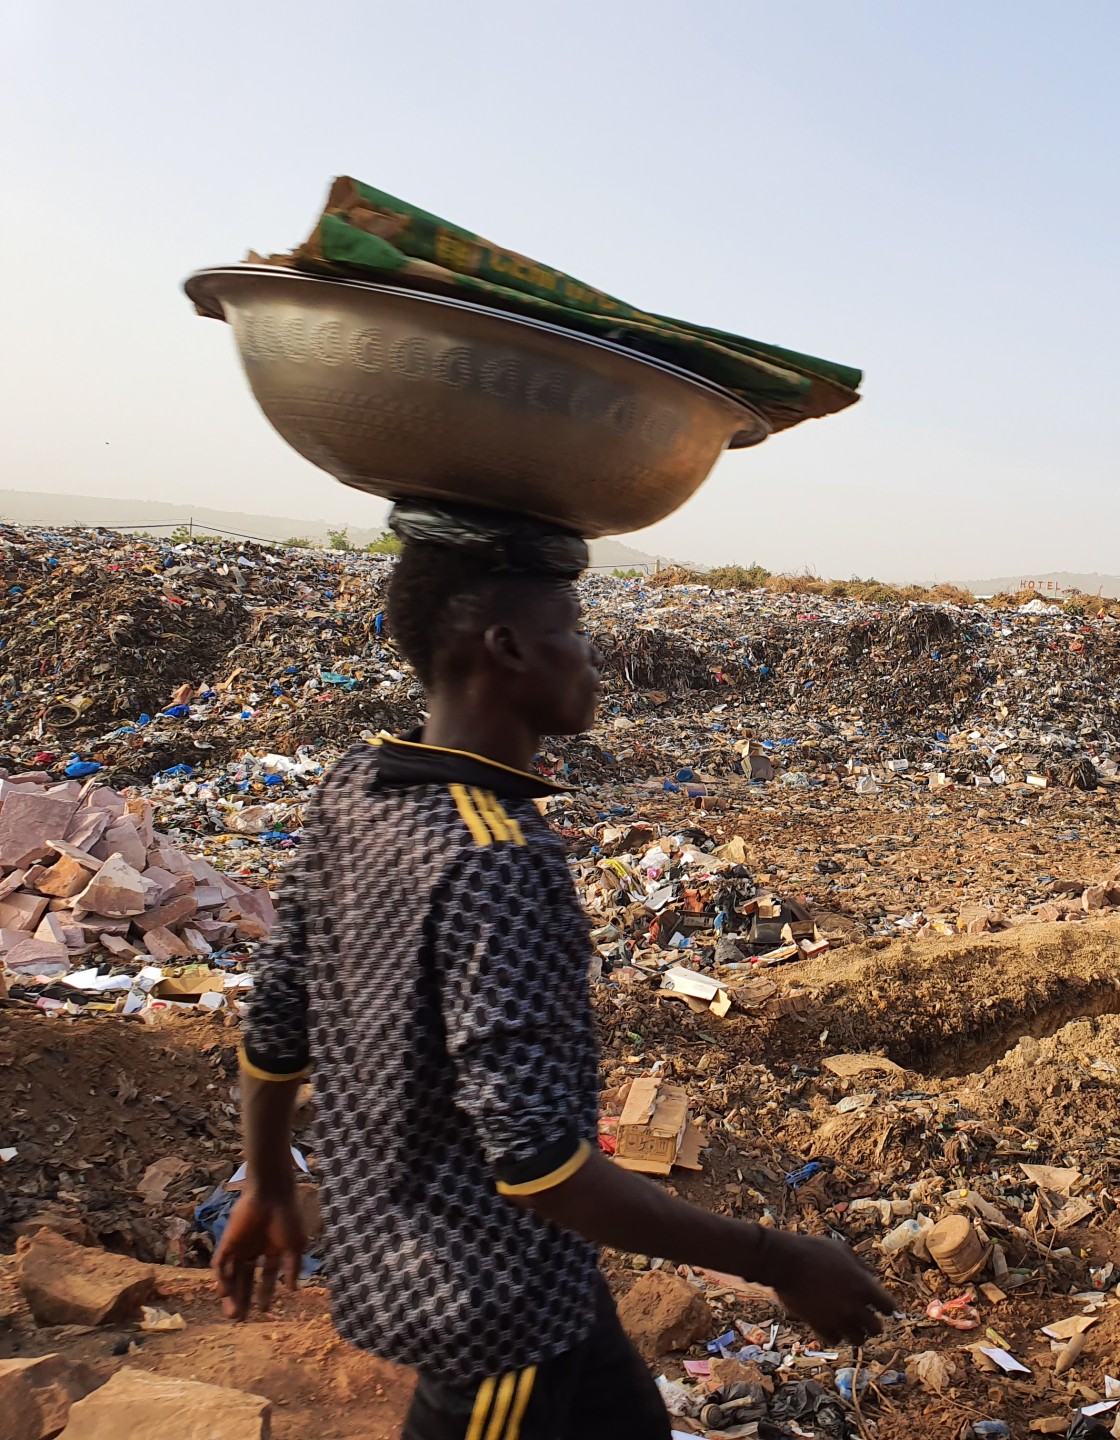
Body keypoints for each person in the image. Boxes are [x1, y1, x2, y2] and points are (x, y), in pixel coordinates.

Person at [214, 502, 893, 1439]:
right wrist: (779, 1257)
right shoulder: (499, 858)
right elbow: (543, 1167)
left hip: (526, 1282)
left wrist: (269, 1182)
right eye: (570, 629)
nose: (590, 654)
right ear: (509, 649)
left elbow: (277, 1025)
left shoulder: (353, 786)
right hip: (494, 1320)